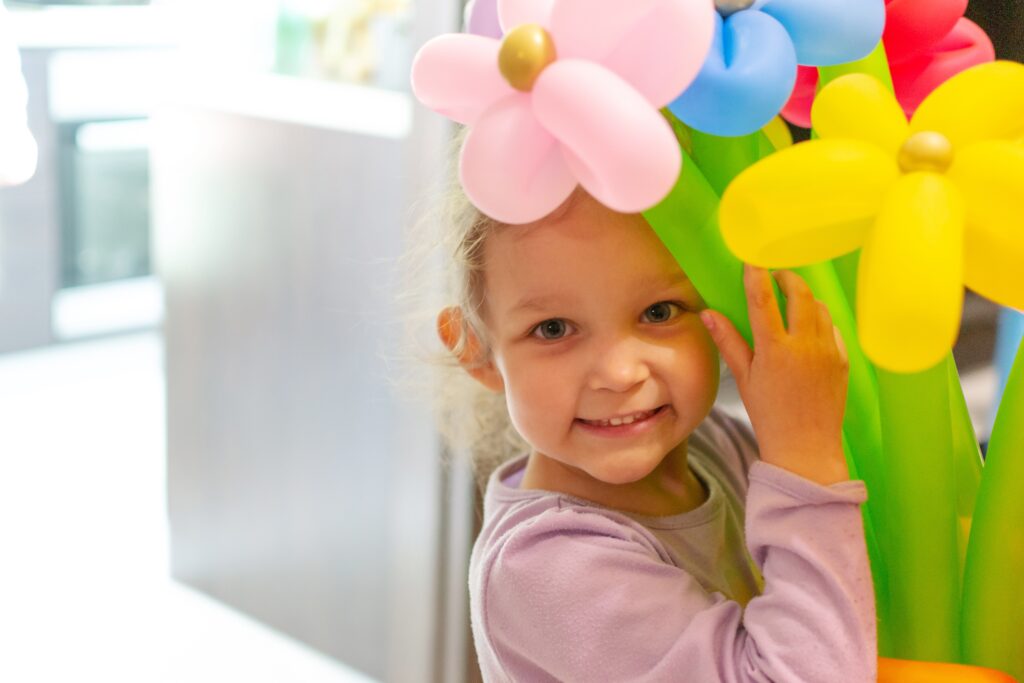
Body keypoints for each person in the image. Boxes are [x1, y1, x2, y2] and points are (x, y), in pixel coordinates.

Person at [423, 149, 875, 680]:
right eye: (553, 329)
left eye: (658, 312)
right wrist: (805, 456)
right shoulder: (547, 568)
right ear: (476, 350)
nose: (618, 373)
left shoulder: (719, 445)